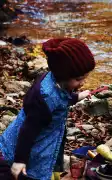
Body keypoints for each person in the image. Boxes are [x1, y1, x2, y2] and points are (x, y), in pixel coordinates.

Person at [0, 38, 95, 180]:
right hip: (24, 148)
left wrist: (78, 96)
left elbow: (63, 97)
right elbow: (27, 131)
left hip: (44, 140)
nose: (82, 82)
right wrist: (19, 161)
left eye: (85, 77)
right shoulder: (45, 98)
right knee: (28, 173)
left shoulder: (57, 80)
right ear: (64, 75)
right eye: (79, 79)